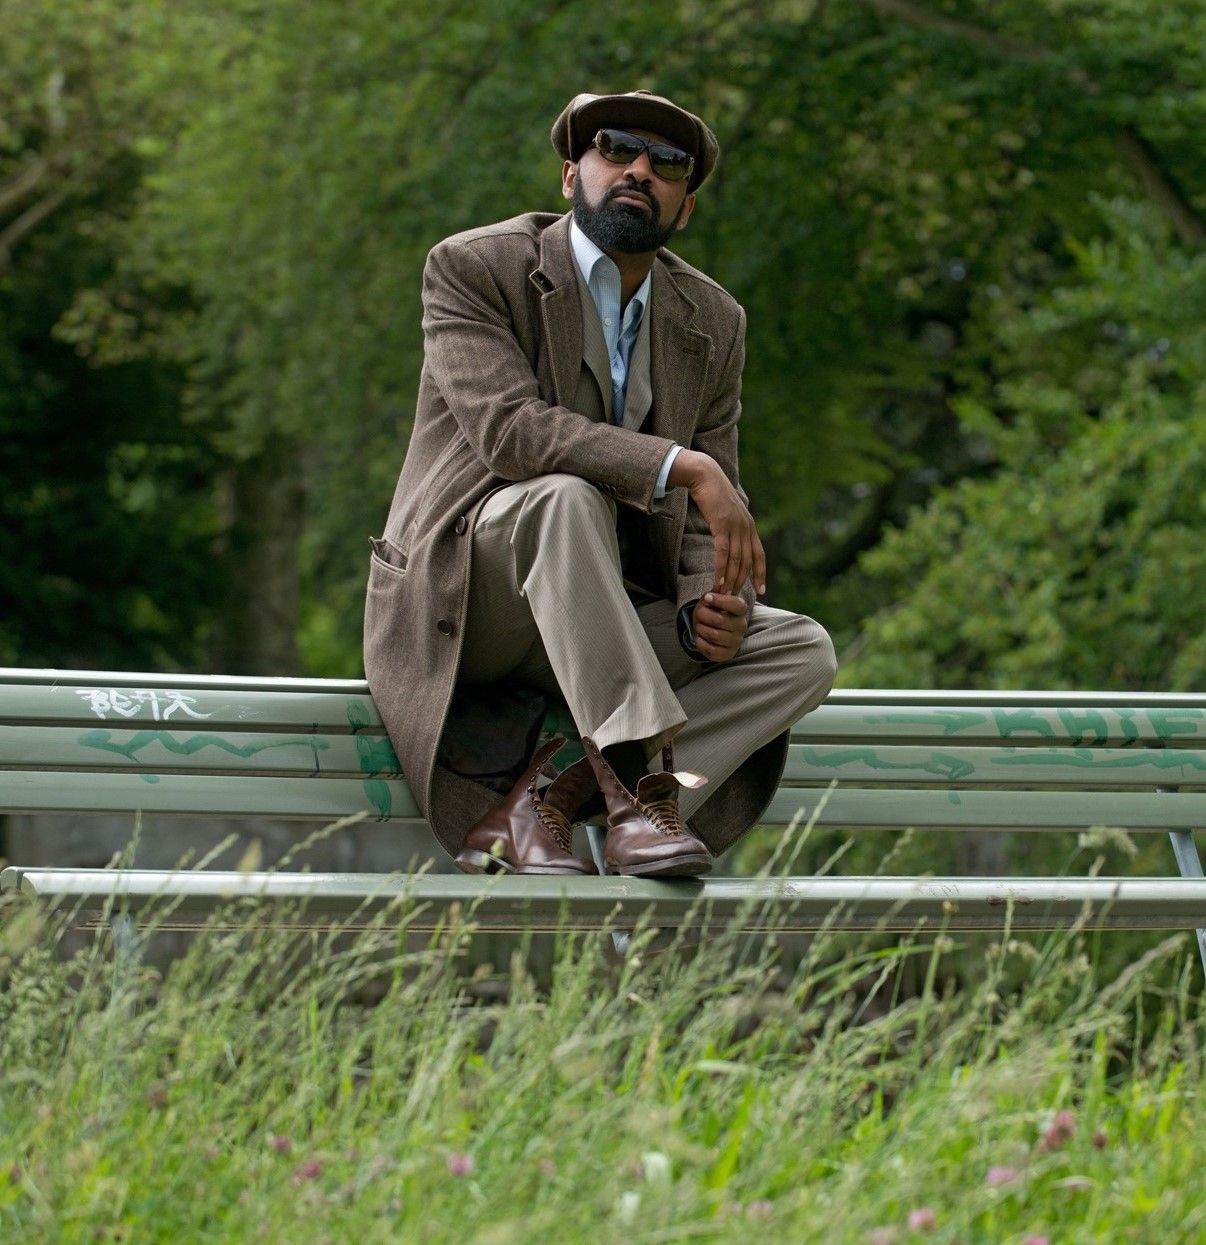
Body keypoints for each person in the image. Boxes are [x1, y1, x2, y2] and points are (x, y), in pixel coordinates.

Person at [364, 89, 836, 878]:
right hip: (472, 601)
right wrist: (679, 464)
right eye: (616, 149)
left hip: (601, 622)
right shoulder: (475, 267)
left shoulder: (713, 320)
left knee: (800, 650)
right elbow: (511, 433)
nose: (639, 170)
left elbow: (705, 520)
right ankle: (636, 801)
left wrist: (704, 603)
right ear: (569, 175)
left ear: (685, 207)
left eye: (668, 163)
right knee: (564, 497)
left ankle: (547, 796)